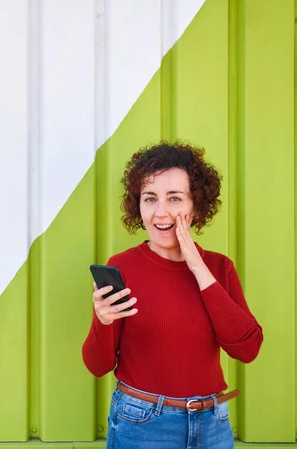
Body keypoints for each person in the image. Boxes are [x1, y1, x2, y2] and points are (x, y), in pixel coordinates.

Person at [82, 142, 263, 448]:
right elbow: (97, 366)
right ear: (138, 205)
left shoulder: (220, 268)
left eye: (175, 198)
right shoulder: (122, 267)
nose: (161, 212)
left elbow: (247, 350)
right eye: (150, 198)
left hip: (212, 425)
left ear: (196, 205)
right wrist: (103, 320)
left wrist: (197, 266)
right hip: (142, 424)